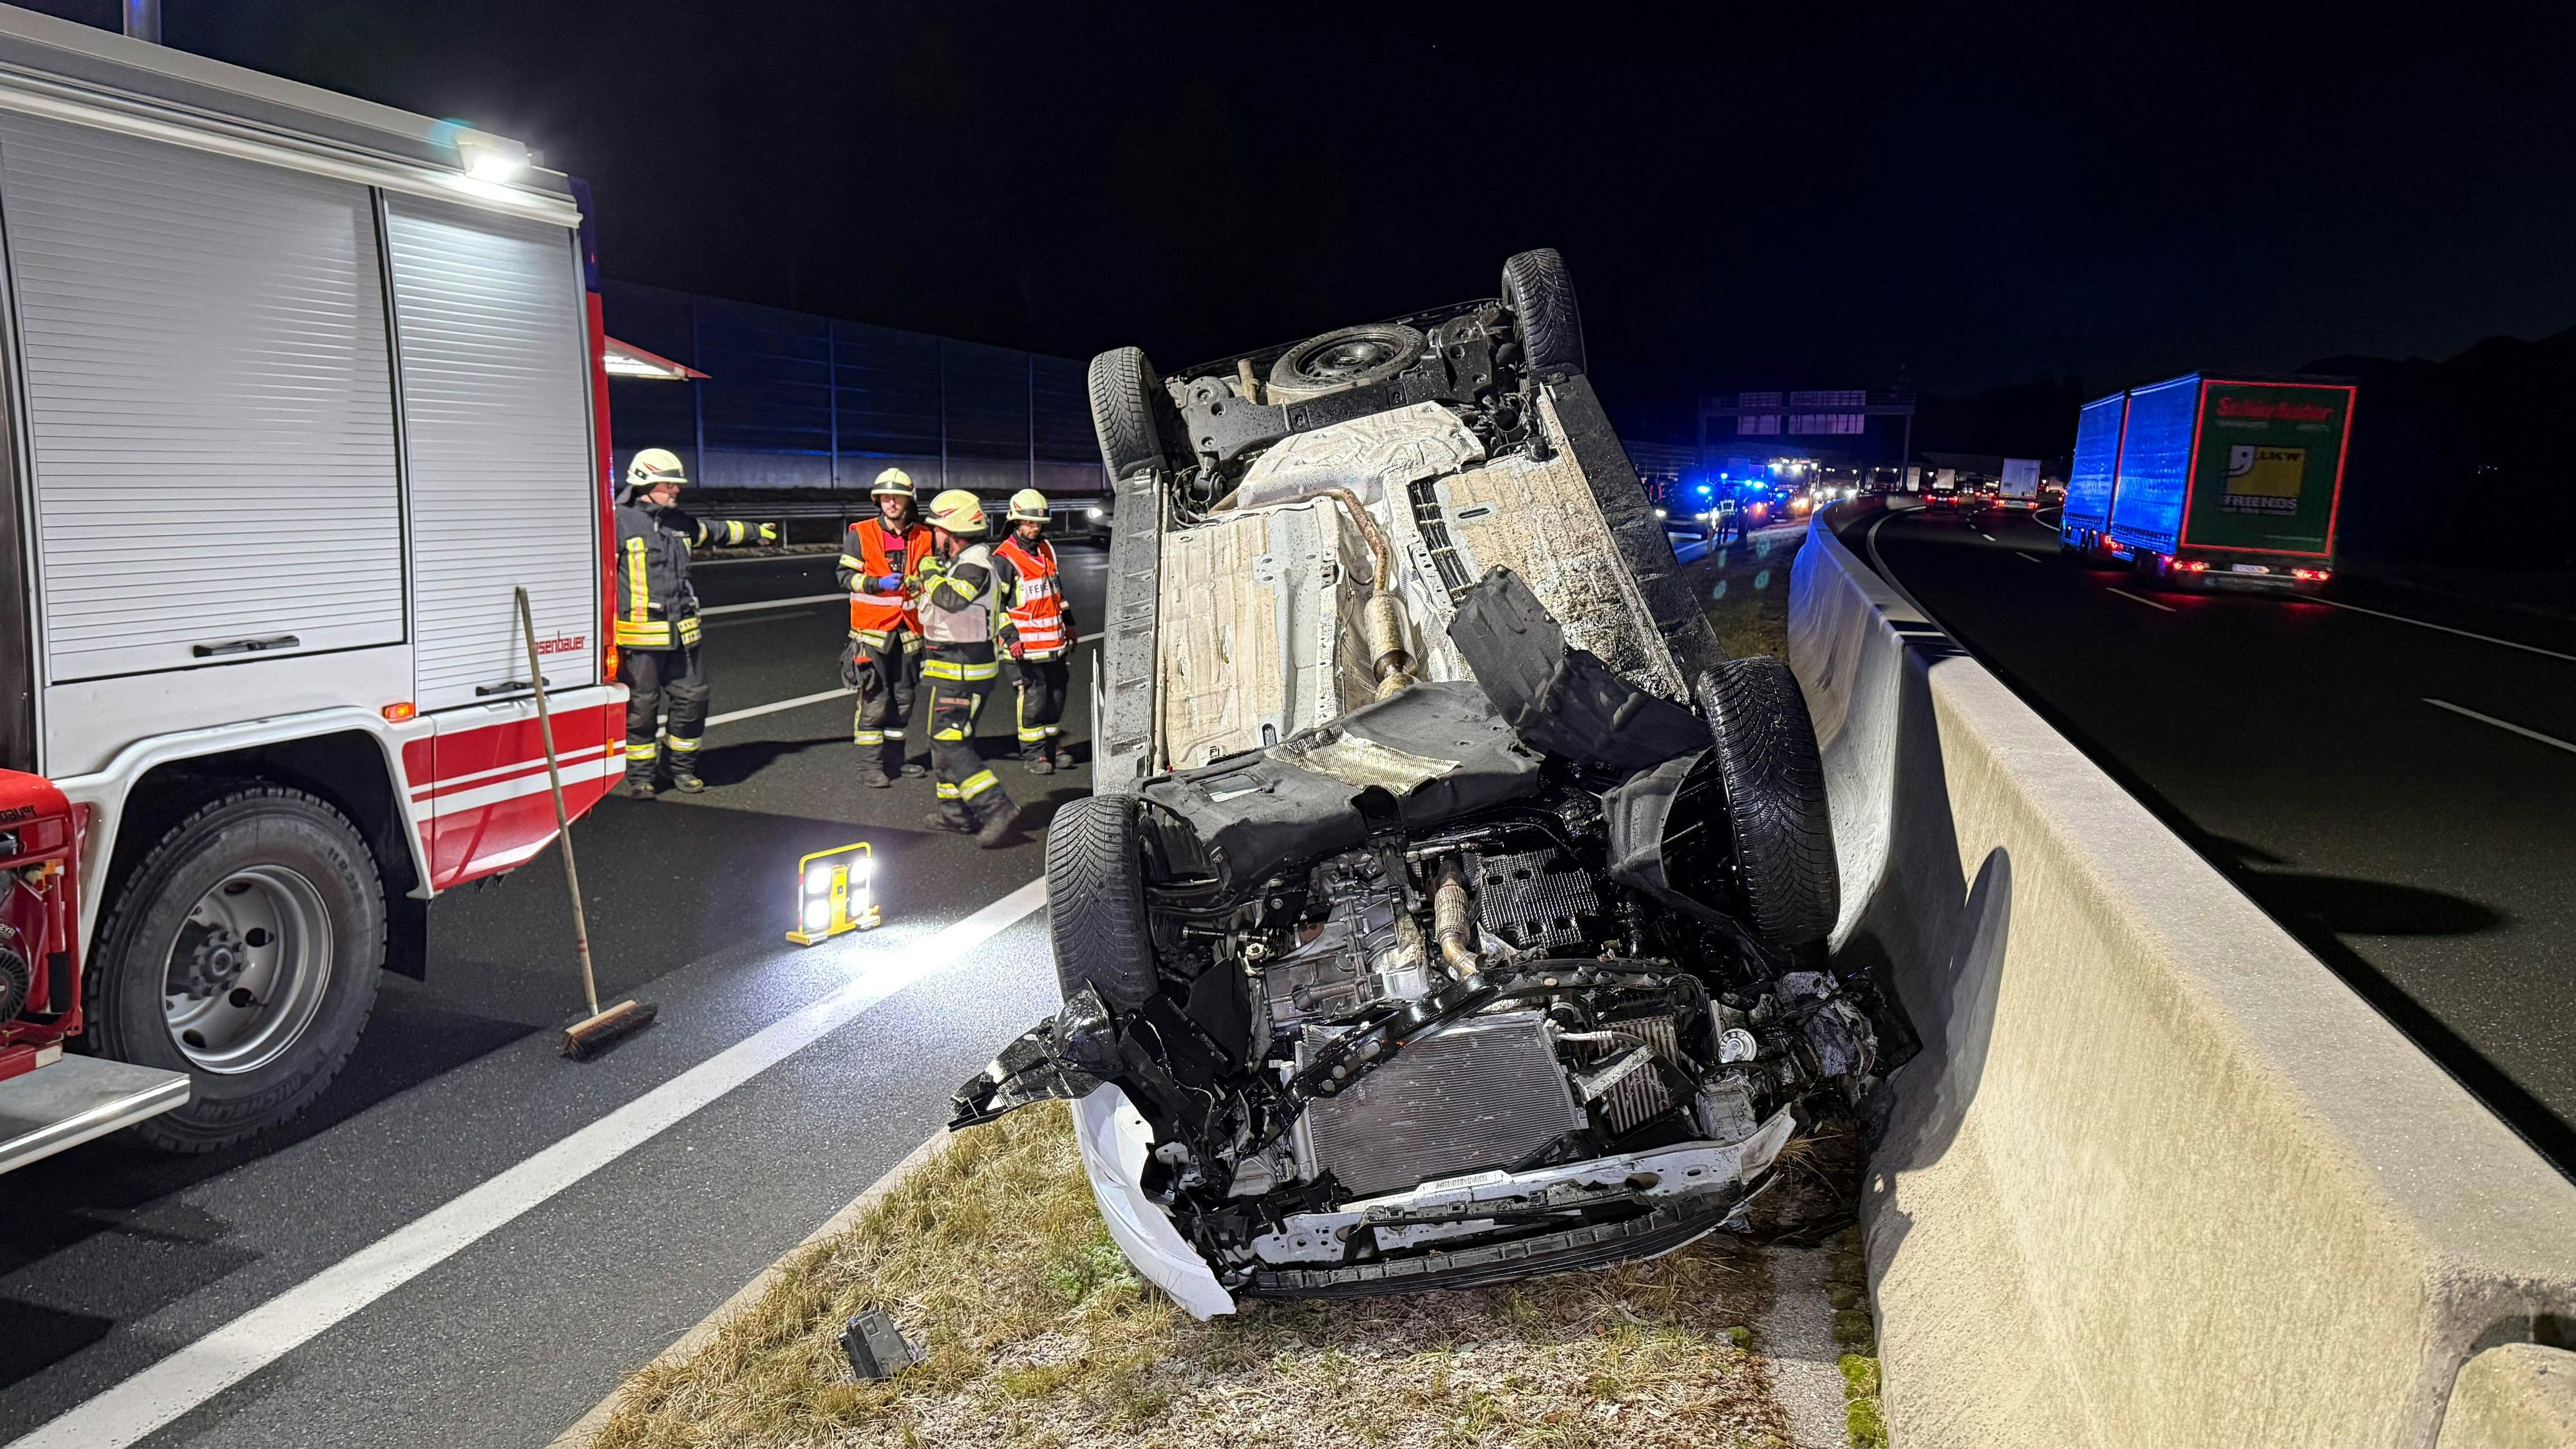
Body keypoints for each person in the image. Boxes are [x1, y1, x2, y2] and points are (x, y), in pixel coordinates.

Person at [612, 448, 775, 797]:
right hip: (640, 640)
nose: (676, 490)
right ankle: (640, 777)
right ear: (647, 483)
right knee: (641, 711)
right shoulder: (618, 522)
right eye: (670, 484)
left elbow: (715, 531)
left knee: (693, 703)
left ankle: (679, 769)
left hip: (684, 635)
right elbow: (601, 580)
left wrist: (755, 531)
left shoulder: (679, 522)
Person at [914, 489, 1021, 847]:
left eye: (937, 530)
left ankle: (996, 807)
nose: (934, 538)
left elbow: (951, 600)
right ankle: (954, 815)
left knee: (949, 741)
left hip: (963, 673)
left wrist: (928, 571)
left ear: (952, 531)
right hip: (953, 669)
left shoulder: (975, 564)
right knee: (942, 743)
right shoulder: (967, 562)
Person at [835, 468, 934, 788]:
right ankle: (870, 767)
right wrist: (877, 583)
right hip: (871, 633)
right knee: (875, 701)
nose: (891, 503)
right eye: (886, 498)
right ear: (878, 500)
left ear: (908, 500)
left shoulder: (925, 535)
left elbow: (934, 576)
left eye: (898, 497)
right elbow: (844, 577)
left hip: (909, 632)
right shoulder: (861, 533)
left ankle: (895, 761)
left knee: (903, 699)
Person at [992, 489, 1074, 775]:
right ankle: (1033, 753)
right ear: (1016, 522)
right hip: (1024, 647)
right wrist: (1011, 638)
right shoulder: (1005, 558)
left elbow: (1057, 592)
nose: (1034, 528)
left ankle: (1052, 745)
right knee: (1034, 699)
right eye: (1028, 523)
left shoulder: (1047, 549)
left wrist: (1070, 623)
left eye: (1038, 523)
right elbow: (996, 605)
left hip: (1055, 643)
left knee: (1057, 696)